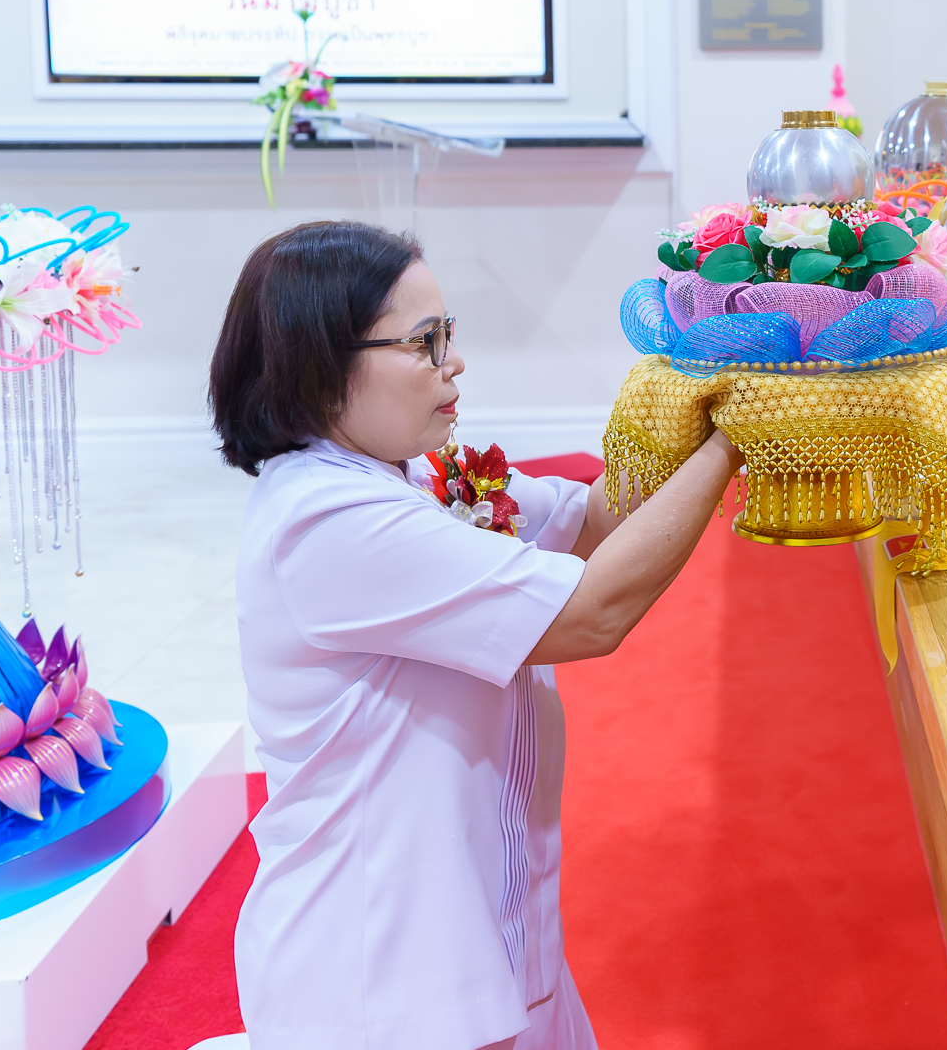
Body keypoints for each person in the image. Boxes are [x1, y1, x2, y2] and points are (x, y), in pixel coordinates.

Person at [209, 221, 741, 1050]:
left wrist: (689, 389)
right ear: (319, 370)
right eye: (425, 342)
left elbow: (593, 522)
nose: (454, 361)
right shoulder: (321, 519)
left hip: (485, 908)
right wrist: (734, 435)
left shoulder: (412, 472)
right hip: (381, 963)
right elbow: (594, 611)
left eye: (449, 333)